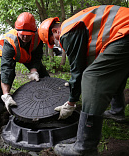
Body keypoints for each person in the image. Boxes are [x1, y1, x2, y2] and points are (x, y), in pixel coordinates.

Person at [38, 5, 129, 155]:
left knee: (91, 77)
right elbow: (87, 62)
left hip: (125, 32)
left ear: (55, 31)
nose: (56, 45)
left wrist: (71, 102)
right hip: (123, 30)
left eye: (53, 41)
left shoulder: (67, 32)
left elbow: (79, 71)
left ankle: (84, 148)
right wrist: (74, 81)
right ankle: (117, 111)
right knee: (111, 71)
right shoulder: (76, 24)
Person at [0, 12, 49, 114]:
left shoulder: (38, 37)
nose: (25, 38)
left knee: (44, 75)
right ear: (17, 30)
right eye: (22, 34)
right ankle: (0, 102)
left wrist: (34, 71)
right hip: (12, 56)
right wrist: (6, 94)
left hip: (29, 56)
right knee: (8, 74)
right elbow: (6, 68)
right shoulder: (9, 41)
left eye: (28, 35)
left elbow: (37, 57)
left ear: (34, 31)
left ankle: (46, 97)